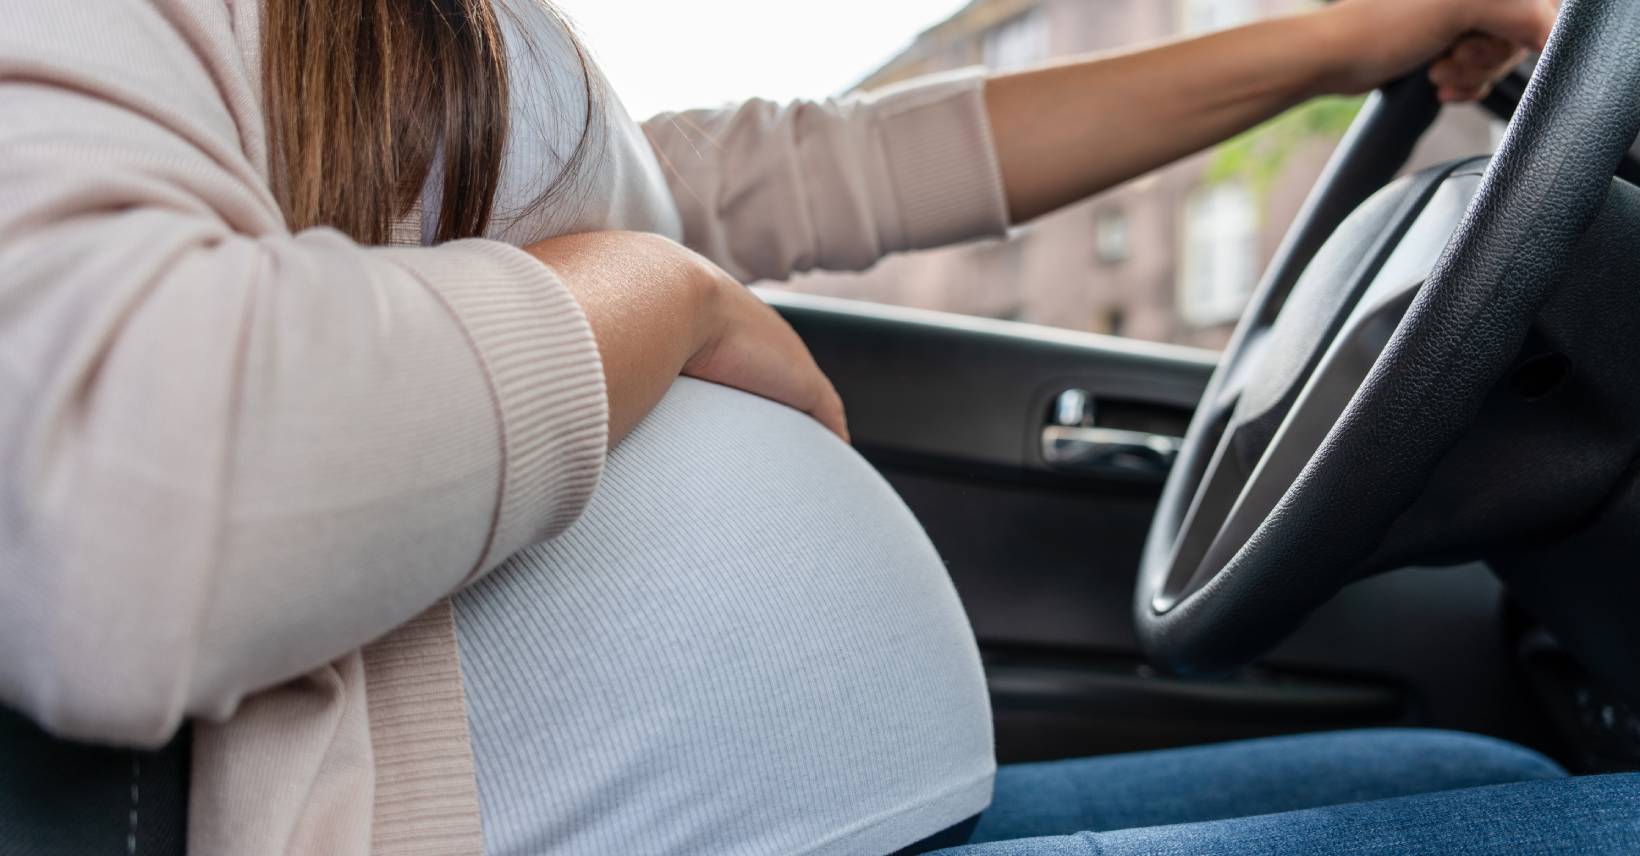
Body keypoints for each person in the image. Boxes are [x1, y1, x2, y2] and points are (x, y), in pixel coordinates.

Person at [1, 0, 1609, 854]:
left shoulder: (425, 49)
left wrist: (1342, 41)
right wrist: (655, 289)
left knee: (1468, 764)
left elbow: (831, 164)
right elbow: (119, 517)